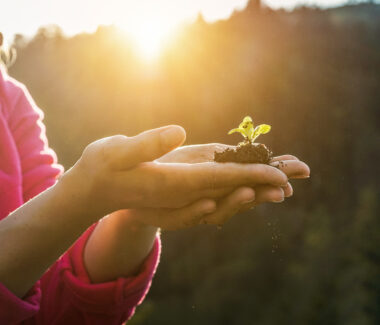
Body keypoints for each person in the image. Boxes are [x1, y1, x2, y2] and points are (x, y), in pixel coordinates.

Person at [0, 33, 310, 324]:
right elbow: (65, 207)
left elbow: (57, 307)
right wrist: (78, 200)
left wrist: (130, 210)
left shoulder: (10, 98)